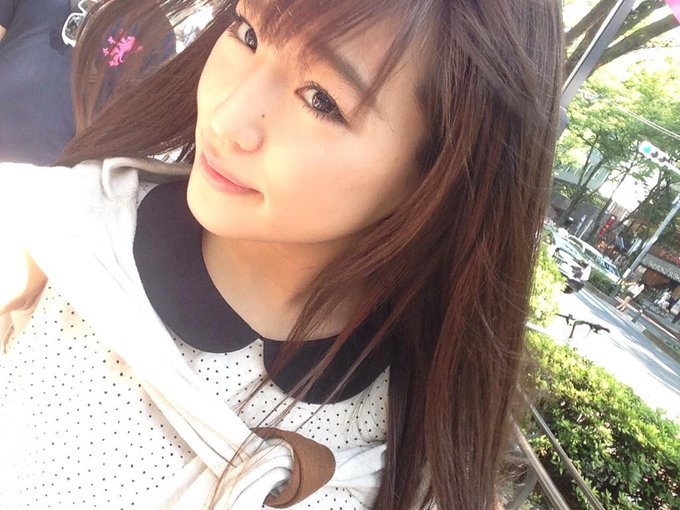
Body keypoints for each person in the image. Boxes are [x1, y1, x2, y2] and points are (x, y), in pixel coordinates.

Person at [0, 0, 564, 508]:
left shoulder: (420, 443)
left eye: (321, 100)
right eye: (248, 34)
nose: (228, 119)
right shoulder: (49, 234)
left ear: (438, 178)